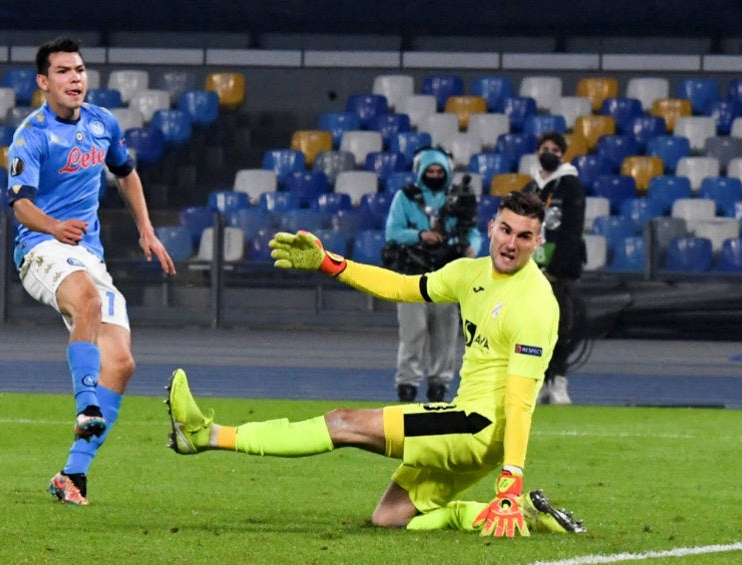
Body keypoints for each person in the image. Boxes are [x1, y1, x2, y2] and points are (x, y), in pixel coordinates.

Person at [166, 191, 585, 537]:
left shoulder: (534, 304)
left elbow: (520, 401)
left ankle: (205, 435)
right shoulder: (468, 273)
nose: (511, 243)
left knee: (343, 422)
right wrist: (332, 264)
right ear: (491, 228)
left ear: (537, 242)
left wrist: (512, 475)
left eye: (524, 236)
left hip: (476, 426)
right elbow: (402, 286)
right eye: (506, 230)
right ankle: (515, 513)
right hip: (468, 428)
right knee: (390, 517)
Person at [7, 36, 176, 506]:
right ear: (44, 82)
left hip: (88, 254)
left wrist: (146, 229)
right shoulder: (31, 135)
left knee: (121, 363)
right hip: (41, 247)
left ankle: (72, 475)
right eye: (63, 71)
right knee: (88, 300)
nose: (75, 77)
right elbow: (20, 204)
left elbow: (126, 172)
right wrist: (54, 225)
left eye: (79, 69)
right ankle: (86, 407)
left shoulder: (103, 124)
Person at [382, 148, 481, 403]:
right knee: (413, 333)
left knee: (445, 336)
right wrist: (419, 236)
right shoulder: (405, 197)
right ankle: (407, 385)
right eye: (430, 171)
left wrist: (472, 248)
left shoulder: (457, 198)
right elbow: (392, 232)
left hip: (446, 275)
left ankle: (439, 386)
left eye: (439, 171)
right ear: (421, 172)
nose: (435, 175)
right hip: (411, 275)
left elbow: (472, 231)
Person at [521, 131, 588, 406]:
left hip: (558, 272)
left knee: (559, 328)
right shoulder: (530, 188)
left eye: (555, 149)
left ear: (562, 155)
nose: (549, 153)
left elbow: (573, 231)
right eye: (545, 148)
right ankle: (538, 381)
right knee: (530, 330)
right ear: (537, 152)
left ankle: (559, 381)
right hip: (530, 271)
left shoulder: (572, 187)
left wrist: (555, 269)